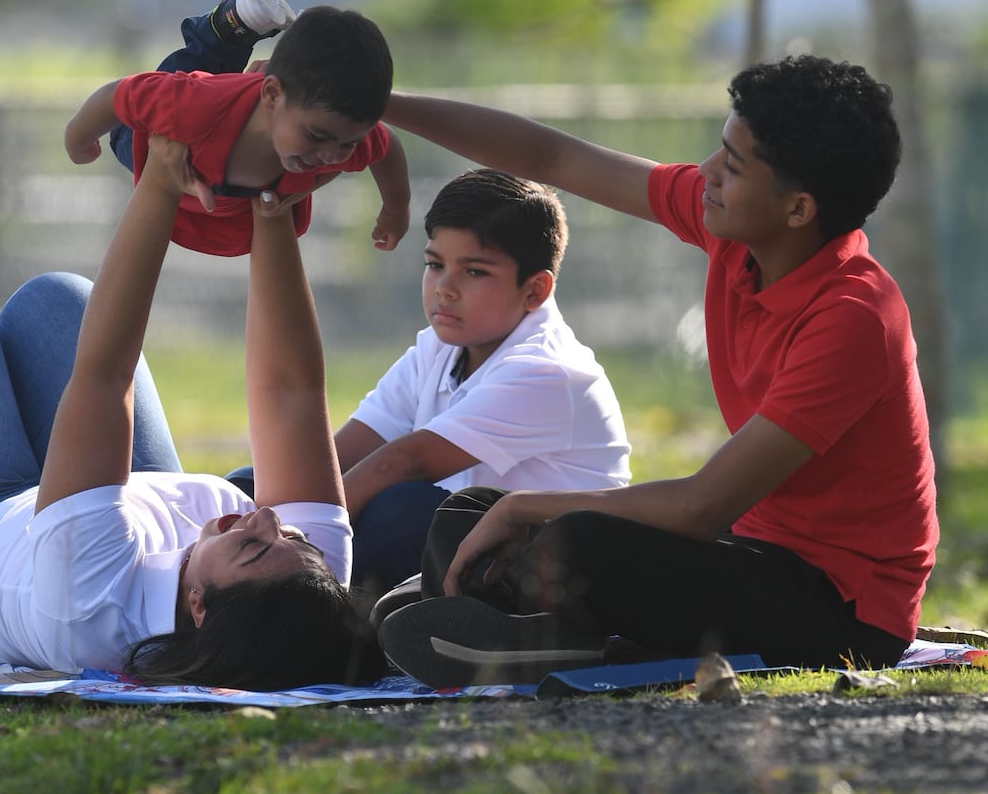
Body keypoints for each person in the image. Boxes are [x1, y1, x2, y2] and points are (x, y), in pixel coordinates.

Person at [373, 55, 938, 683]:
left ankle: (576, 649)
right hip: (748, 554)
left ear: (798, 209)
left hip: (843, 610)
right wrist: (382, 105)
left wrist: (528, 509)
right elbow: (553, 158)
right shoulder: (737, 234)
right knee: (470, 514)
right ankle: (513, 626)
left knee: (576, 543)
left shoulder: (854, 318)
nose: (708, 171)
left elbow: (701, 506)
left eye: (733, 165)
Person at [0, 134, 380, 690]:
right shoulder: (306, 585)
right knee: (59, 301)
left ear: (198, 607)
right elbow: (293, 391)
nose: (266, 519)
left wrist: (160, 182)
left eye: (253, 547)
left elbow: (105, 372)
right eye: (290, 534)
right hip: (106, 514)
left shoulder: (93, 603)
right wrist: (272, 201)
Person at [334, 168, 630, 595]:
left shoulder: (547, 370)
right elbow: (342, 456)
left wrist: (299, 535)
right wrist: (266, 511)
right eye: (435, 264)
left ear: (535, 290)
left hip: (553, 583)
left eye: (474, 272)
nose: (445, 288)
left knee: (401, 511)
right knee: (263, 484)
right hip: (464, 547)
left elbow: (404, 462)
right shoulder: (437, 348)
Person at [65, 0, 411, 257]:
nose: (332, 156)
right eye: (317, 136)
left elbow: (385, 147)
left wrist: (396, 208)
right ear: (272, 94)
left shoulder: (332, 131)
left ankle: (248, 31)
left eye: (349, 144)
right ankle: (227, 27)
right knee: (156, 104)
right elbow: (120, 95)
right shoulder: (194, 108)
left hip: (236, 157)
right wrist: (77, 140)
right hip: (180, 124)